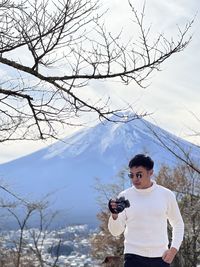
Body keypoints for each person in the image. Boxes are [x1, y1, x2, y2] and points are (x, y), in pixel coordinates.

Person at [108, 154, 184, 267]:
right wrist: (114, 215)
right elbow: (116, 232)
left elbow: (178, 223)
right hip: (133, 257)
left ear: (150, 172)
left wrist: (173, 250)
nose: (135, 179)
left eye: (139, 175)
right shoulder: (124, 196)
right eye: (131, 175)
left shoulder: (166, 195)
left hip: (161, 257)